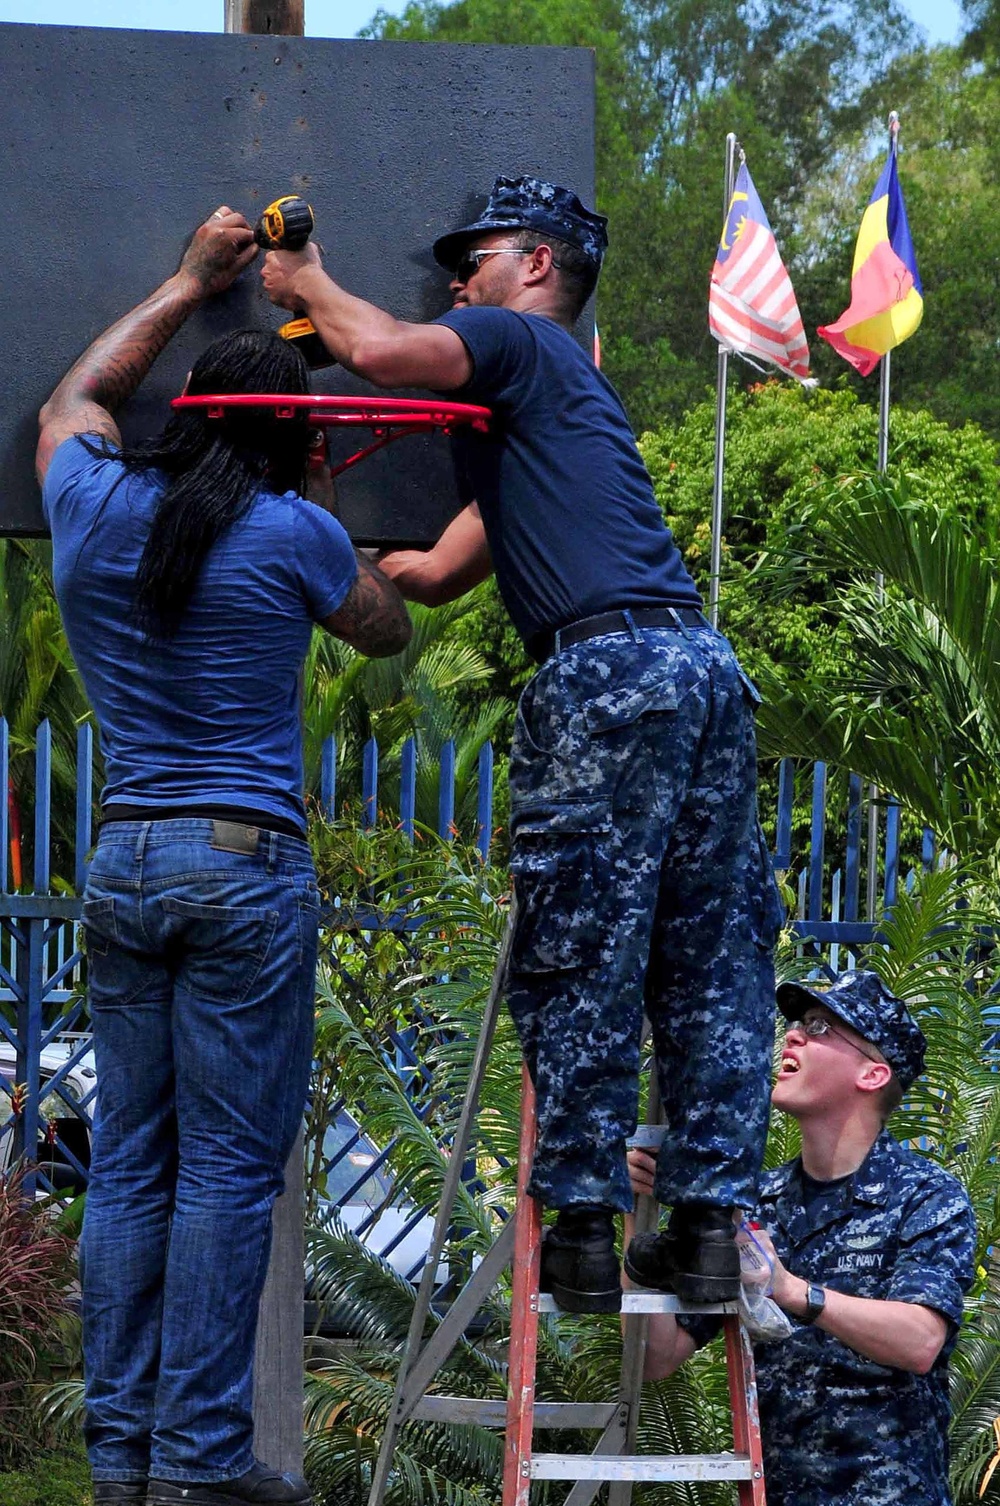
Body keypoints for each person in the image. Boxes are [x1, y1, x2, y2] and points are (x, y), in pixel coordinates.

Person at [260, 174, 782, 1316]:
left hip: (606, 674)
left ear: (537, 265)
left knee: (584, 950)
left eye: (478, 257)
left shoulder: (518, 341)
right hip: (699, 667)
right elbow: (428, 579)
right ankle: (702, 1231)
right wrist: (308, 530)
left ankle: (585, 1229)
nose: (460, 279)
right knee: (711, 961)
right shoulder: (556, 420)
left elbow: (387, 352)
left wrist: (302, 280)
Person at [36, 207, 411, 1506]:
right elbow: (386, 629)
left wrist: (185, 279)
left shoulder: (90, 504)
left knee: (131, 1165)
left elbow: (75, 397)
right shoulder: (297, 536)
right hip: (243, 869)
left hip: (126, 859)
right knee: (229, 1176)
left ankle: (121, 1459)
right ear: (288, 437)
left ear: (187, 414)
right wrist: (315, 483)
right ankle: (200, 1461)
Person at [625, 971, 976, 1506]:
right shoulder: (754, 1203)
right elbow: (656, 1359)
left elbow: (921, 1340)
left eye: (819, 1027)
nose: (792, 1036)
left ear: (872, 1073)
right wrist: (638, 1223)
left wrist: (794, 1292)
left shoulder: (925, 1197)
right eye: (795, 1023)